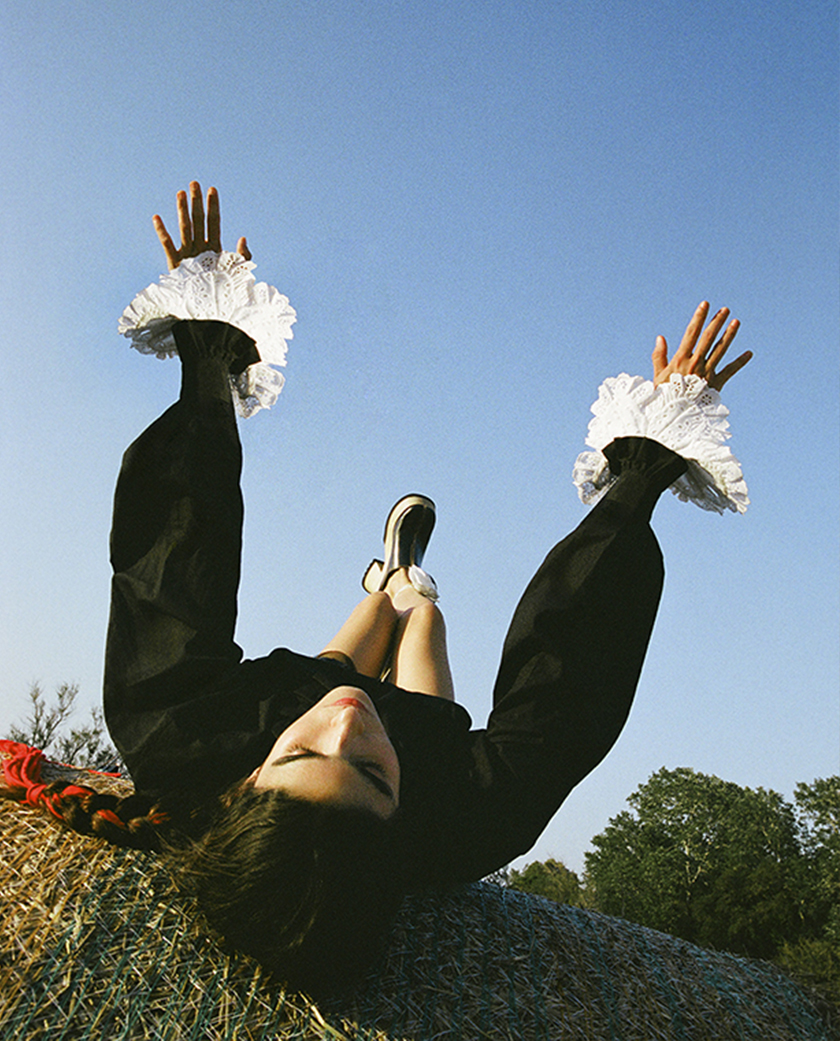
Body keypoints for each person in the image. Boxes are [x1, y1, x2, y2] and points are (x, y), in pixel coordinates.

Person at [0, 182, 752, 995]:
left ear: (250, 780)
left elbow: (179, 553)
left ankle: (385, 578)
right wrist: (647, 467)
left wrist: (208, 351)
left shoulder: (179, 735)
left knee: (347, 655)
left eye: (305, 756)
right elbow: (571, 676)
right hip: (427, 751)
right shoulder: (464, 820)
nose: (349, 725)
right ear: (400, 826)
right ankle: (408, 580)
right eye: (368, 772)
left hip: (281, 696)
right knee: (423, 617)